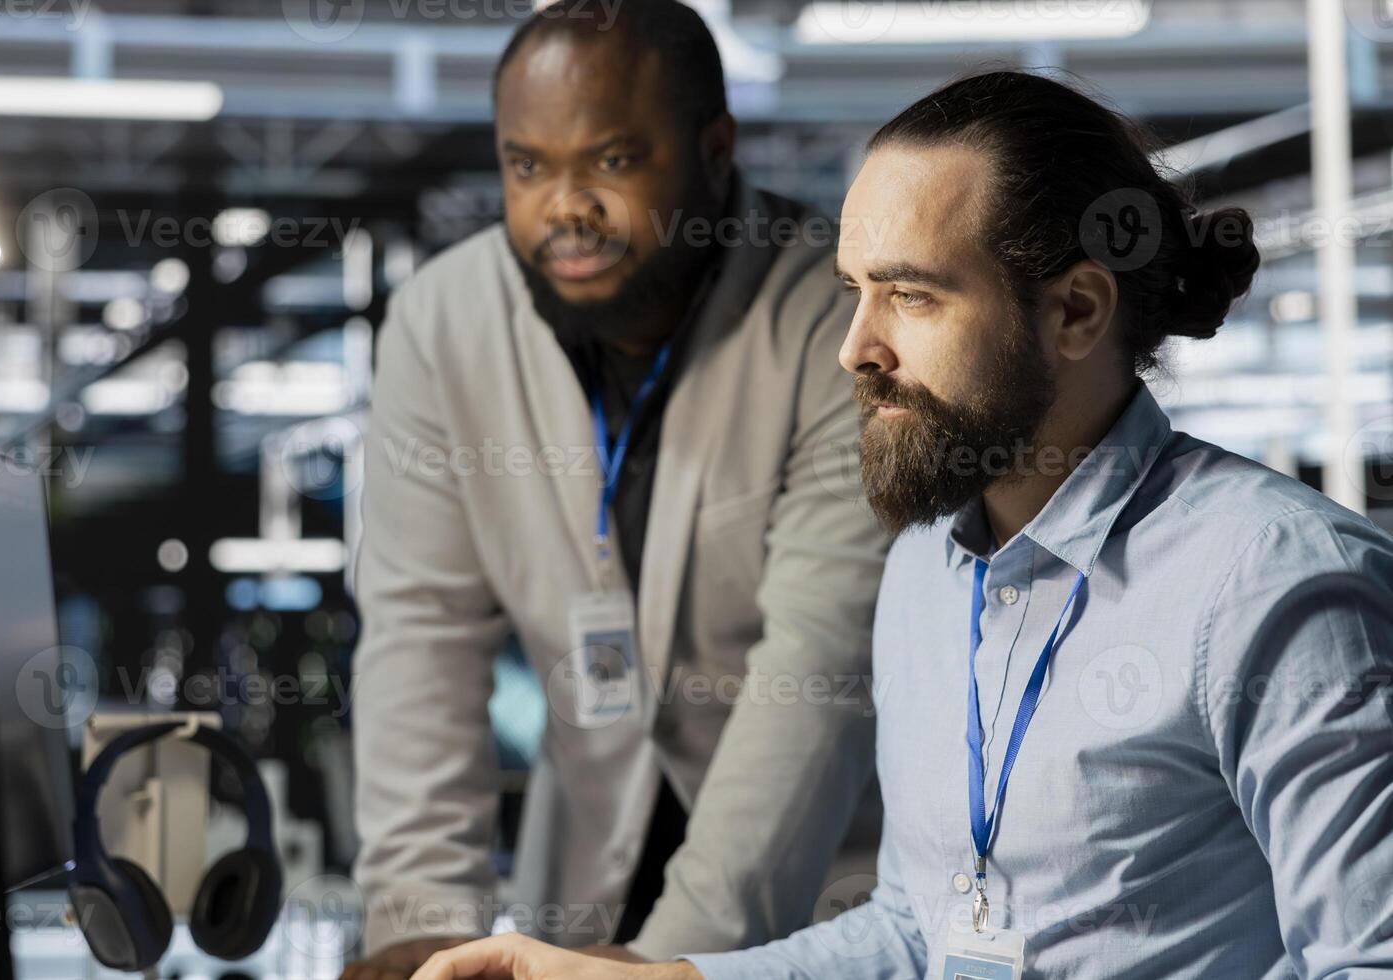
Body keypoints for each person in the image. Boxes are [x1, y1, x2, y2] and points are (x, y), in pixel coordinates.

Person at [405, 69, 1393, 980]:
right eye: (855, 291)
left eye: (911, 294)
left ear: (1078, 312)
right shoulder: (929, 565)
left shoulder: (1280, 585)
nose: (854, 348)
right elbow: (918, 927)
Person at [341, 1, 889, 977]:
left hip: (816, 890)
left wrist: (670, 967)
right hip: (583, 874)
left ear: (714, 149)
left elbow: (819, 663)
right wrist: (422, 915)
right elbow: (422, 630)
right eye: (528, 165)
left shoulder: (835, 319)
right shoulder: (441, 323)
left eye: (612, 160)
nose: (564, 206)